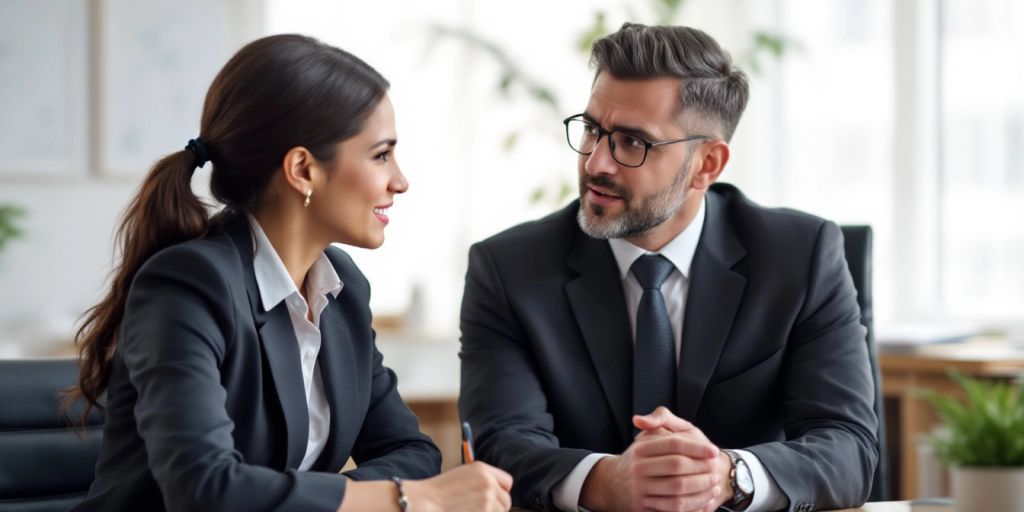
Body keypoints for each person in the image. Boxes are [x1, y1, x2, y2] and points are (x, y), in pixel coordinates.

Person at [66, 34, 512, 512]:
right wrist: (401, 498)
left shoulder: (342, 288)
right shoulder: (188, 285)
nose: (400, 181)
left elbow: (412, 451)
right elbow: (205, 489)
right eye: (381, 155)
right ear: (302, 169)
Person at [458, 23, 878, 512]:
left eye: (632, 143)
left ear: (707, 165)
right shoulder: (509, 268)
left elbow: (848, 447)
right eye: (593, 129)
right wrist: (605, 481)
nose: (596, 163)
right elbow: (498, 445)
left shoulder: (799, 257)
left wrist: (726, 476)